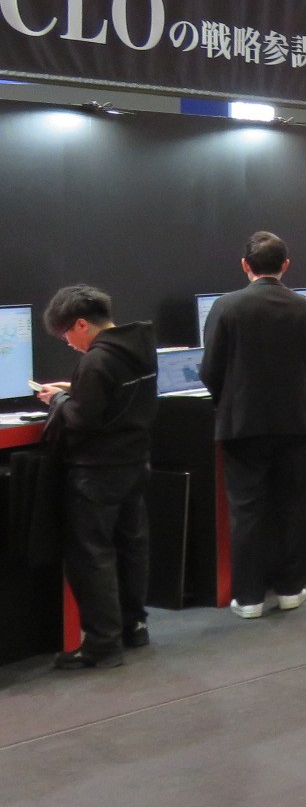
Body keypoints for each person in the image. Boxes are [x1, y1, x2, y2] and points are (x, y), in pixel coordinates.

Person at [200, 231, 306, 619]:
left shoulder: (226, 306)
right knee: (291, 506)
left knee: (246, 511)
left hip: (243, 423)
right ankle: (291, 589)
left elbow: (210, 369)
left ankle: (249, 597)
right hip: (294, 420)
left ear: (244, 265)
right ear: (285, 265)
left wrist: (228, 399)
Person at [38, 285, 155, 669]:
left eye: (66, 335)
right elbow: (115, 398)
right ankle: (134, 626)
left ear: (81, 324)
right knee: (131, 548)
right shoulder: (139, 347)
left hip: (97, 472)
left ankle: (102, 644)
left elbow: (83, 420)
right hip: (135, 463)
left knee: (92, 556)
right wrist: (75, 389)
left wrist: (58, 400)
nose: (69, 343)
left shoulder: (95, 361)